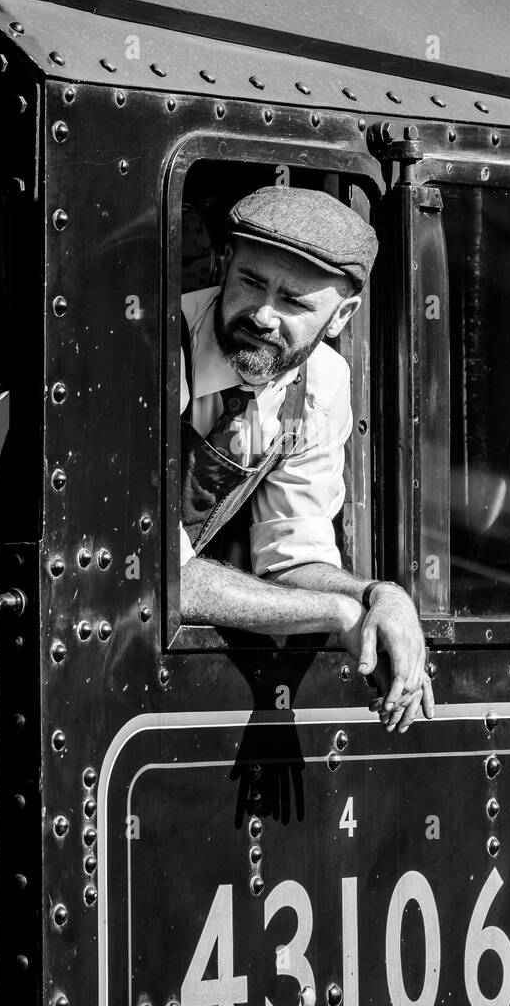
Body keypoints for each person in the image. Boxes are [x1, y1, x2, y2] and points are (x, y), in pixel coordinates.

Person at [180, 185, 433, 734]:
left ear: (341, 316)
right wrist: (338, 613)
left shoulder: (320, 384)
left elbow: (292, 556)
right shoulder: (152, 347)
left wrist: (379, 597)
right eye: (251, 282)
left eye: (294, 302)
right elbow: (155, 575)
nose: (264, 315)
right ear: (224, 264)